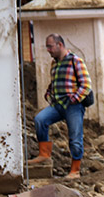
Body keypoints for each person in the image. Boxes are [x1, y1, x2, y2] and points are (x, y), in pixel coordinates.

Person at [28, 34, 92, 179]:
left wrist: (75, 99)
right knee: (40, 120)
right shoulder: (54, 63)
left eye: (50, 46)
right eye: (47, 47)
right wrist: (49, 91)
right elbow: (55, 81)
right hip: (58, 105)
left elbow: (86, 85)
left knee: (75, 137)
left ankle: (75, 170)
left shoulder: (76, 61)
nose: (48, 50)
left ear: (60, 45)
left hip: (73, 106)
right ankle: (44, 154)